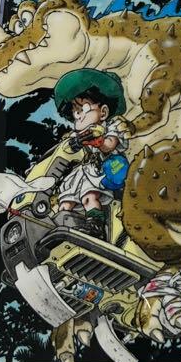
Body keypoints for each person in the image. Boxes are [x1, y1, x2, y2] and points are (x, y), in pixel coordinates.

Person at [51, 69, 131, 239]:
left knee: (89, 194)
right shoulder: (77, 135)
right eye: (75, 111)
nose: (79, 115)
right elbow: (68, 151)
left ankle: (96, 226)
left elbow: (109, 145)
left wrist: (98, 141)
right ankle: (61, 222)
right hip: (86, 171)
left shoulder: (112, 127)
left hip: (108, 170)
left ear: (103, 112)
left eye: (84, 108)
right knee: (67, 197)